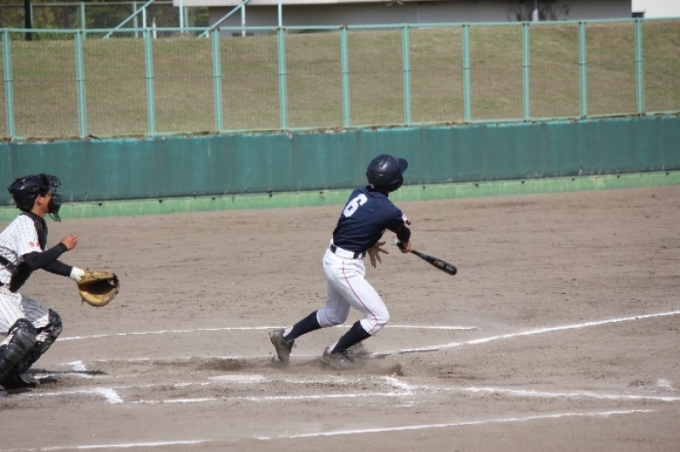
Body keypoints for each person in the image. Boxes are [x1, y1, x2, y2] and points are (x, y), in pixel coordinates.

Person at [269, 154, 413, 369]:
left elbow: (356, 224)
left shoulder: (360, 193)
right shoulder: (389, 211)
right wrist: (405, 244)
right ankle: (334, 353)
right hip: (345, 266)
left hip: (333, 257)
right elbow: (403, 232)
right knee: (378, 317)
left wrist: (369, 243)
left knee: (334, 315)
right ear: (395, 183)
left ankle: (285, 337)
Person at [0, 174, 87, 390]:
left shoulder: (34, 223)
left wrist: (76, 274)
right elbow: (34, 261)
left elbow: (43, 260)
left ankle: (12, 374)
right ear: (38, 199)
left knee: (50, 323)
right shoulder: (25, 224)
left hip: (5, 294)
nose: (52, 197)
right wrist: (63, 246)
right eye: (48, 194)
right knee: (23, 330)